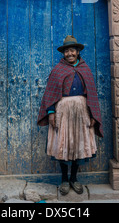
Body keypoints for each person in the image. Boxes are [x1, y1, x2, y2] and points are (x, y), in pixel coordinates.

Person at [37, 35, 103, 195]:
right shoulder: (58, 70)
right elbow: (50, 94)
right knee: (63, 145)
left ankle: (74, 178)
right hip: (63, 112)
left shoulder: (85, 69)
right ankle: (64, 180)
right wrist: (51, 112)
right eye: (66, 51)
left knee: (78, 145)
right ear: (63, 53)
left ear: (78, 51)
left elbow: (92, 95)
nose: (69, 53)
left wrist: (93, 114)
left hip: (81, 112)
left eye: (72, 50)